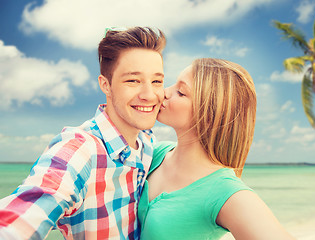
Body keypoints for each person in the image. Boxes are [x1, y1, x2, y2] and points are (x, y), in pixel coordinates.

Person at [0, 27, 166, 239]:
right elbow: (33, 204)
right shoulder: (81, 148)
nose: (149, 94)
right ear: (105, 85)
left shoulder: (148, 143)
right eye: (133, 80)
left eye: (157, 81)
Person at [138, 58, 295, 239]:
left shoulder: (224, 191)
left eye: (181, 92)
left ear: (210, 114)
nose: (164, 93)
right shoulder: (156, 153)